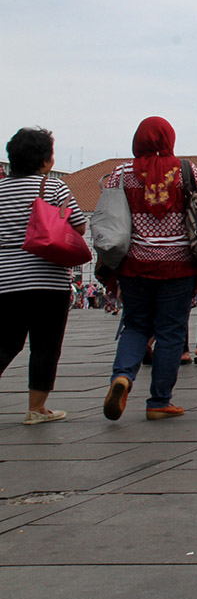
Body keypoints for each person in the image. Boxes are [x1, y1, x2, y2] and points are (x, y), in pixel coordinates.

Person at [101, 117, 197, 421]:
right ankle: (159, 401)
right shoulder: (186, 170)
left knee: (136, 325)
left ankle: (122, 377)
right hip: (177, 265)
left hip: (135, 265)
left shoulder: (122, 173)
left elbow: (108, 208)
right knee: (170, 333)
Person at [0, 127, 85, 424]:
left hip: (7, 280)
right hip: (48, 279)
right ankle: (36, 408)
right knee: (46, 344)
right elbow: (78, 226)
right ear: (46, 160)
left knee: (7, 341)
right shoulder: (55, 188)